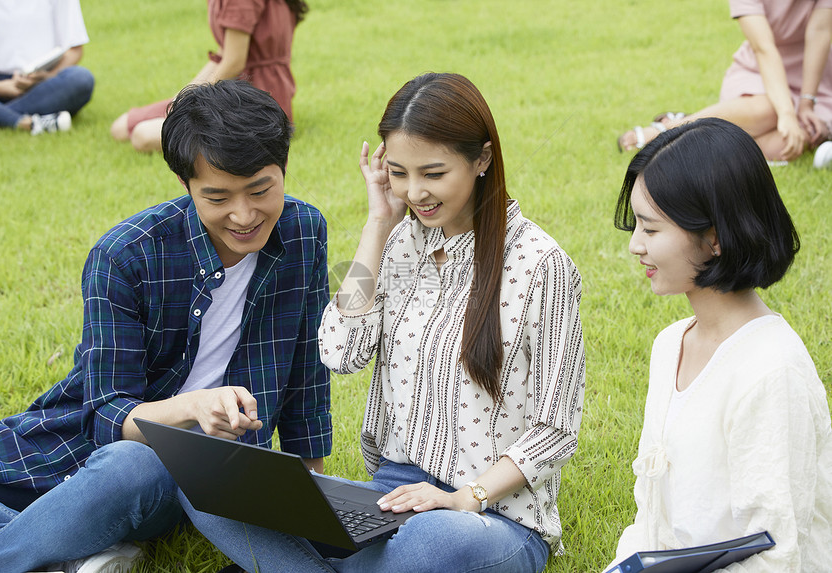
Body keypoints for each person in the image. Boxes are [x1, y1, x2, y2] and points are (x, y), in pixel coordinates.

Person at [182, 72, 587, 573]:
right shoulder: (399, 245)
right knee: (219, 492)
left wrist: (468, 497)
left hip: (489, 516)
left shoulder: (540, 266)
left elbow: (556, 430)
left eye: (433, 174)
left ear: (482, 159)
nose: (415, 192)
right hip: (391, 496)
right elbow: (339, 350)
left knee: (429, 546)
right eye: (398, 172)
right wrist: (378, 224)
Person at [0, 80, 332, 573]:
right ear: (185, 186)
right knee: (120, 461)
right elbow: (105, 419)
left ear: (283, 170)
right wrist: (193, 406)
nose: (244, 214)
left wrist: (312, 493)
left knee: (135, 465)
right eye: (217, 196)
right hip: (73, 451)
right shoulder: (124, 255)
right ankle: (67, 550)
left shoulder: (304, 232)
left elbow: (307, 372)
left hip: (180, 479)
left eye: (261, 190)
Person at [606, 118, 832, 571]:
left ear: (715, 239)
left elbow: (775, 554)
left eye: (651, 230)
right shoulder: (670, 344)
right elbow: (652, 515)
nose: (634, 245)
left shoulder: (771, 371)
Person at [617, 0, 832, 167]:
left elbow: (820, 31)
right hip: (757, 71)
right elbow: (763, 47)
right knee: (769, 109)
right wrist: (786, 113)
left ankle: (708, 134)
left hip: (814, 78)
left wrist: (806, 102)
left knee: (791, 143)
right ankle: (670, 131)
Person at [110, 0, 308, 153]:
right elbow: (222, 56)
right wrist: (182, 98)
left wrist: (190, 103)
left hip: (251, 97)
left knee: (142, 136)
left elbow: (234, 62)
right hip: (229, 88)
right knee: (120, 128)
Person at [0, 0, 95, 135]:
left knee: (80, 79)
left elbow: (75, 50)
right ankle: (24, 123)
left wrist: (48, 76)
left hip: (39, 85)